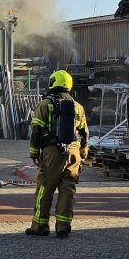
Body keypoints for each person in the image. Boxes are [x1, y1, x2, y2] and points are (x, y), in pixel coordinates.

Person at [26, 69, 89, 239]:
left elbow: (37, 130)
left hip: (53, 152)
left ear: (53, 82)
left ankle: (40, 226)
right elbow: (84, 133)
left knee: (44, 189)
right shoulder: (78, 107)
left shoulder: (45, 104)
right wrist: (83, 154)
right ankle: (63, 227)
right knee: (68, 190)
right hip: (74, 152)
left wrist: (34, 152)